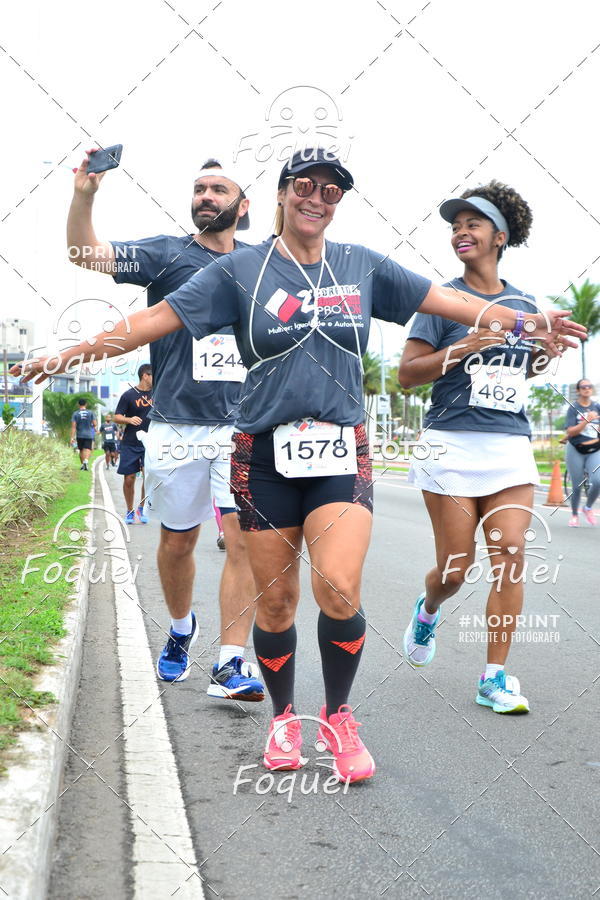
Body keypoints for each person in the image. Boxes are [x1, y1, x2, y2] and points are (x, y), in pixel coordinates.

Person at [17, 150, 584, 782]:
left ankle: (338, 717)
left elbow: (461, 308)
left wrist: (532, 321)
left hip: (341, 448)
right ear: (283, 193)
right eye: (305, 186)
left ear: (338, 202)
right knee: (278, 603)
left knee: (338, 588)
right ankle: (284, 719)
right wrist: (64, 356)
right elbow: (151, 321)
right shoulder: (240, 271)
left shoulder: (362, 265)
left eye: (331, 191)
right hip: (261, 454)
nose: (317, 198)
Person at [65, 153, 264, 698]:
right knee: (178, 544)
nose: (206, 196)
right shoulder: (166, 254)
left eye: (219, 190)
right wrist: (85, 195)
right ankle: (181, 630)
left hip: (244, 429)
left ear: (242, 206)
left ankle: (230, 662)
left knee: (242, 540)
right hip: (177, 427)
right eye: (199, 188)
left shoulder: (264, 264)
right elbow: (86, 254)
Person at [398, 181, 569, 715]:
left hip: (509, 447)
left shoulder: (525, 304)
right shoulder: (441, 300)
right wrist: (464, 347)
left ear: (500, 235)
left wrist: (545, 351)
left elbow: (524, 371)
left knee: (512, 554)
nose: (460, 233)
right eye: (455, 225)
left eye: (473, 223)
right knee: (454, 567)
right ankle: (429, 609)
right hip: (450, 445)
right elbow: (407, 375)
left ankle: (493, 676)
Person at [113, 365, 153, 524]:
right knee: (129, 478)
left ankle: (142, 508)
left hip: (151, 443)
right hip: (130, 442)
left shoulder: (158, 394)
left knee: (147, 477)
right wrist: (129, 419)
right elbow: (117, 416)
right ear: (145, 375)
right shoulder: (128, 395)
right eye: (153, 375)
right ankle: (130, 510)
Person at [565, 379, 600, 526]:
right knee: (577, 485)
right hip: (576, 449)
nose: (587, 389)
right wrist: (586, 420)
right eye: (583, 387)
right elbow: (570, 431)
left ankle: (588, 507)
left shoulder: (597, 406)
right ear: (578, 390)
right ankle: (574, 515)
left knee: (598, 480)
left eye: (589, 386)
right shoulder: (574, 408)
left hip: (595, 449)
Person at [70, 398, 96, 470]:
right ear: (86, 404)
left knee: (81, 450)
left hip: (79, 434)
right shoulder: (91, 413)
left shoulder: (75, 414)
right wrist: (93, 426)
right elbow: (95, 423)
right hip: (88, 434)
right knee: (87, 449)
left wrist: (72, 438)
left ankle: (82, 465)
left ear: (78, 405)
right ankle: (86, 461)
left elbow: (73, 427)